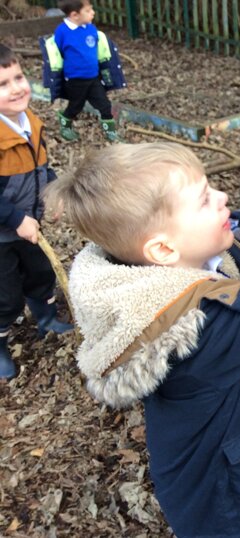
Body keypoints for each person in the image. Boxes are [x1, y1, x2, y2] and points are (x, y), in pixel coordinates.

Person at [43, 123, 240, 537]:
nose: (223, 197)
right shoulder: (192, 330)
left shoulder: (185, 259)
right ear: (163, 249)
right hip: (228, 504)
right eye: (203, 200)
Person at [0, 44, 73, 380]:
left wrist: (52, 195)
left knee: (40, 272)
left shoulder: (30, 123)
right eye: (3, 84)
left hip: (30, 225)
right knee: (5, 293)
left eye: (18, 77)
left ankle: (45, 318)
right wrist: (16, 219)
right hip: (4, 235)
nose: (16, 88)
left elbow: (40, 169)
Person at [40, 0, 126, 142]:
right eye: (88, 10)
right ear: (75, 15)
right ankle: (65, 123)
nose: (93, 13)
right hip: (75, 80)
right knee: (76, 106)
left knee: (104, 104)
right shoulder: (62, 31)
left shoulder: (90, 28)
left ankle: (110, 132)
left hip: (93, 77)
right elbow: (58, 51)